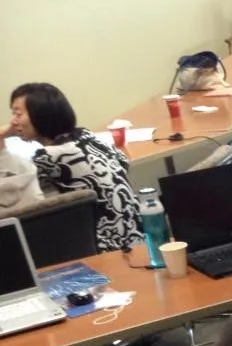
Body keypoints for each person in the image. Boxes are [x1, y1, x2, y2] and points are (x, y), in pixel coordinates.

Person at [6, 82, 139, 251]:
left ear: (41, 115)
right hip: (135, 233)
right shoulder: (90, 137)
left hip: (104, 246)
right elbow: (123, 162)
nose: (13, 121)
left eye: (18, 114)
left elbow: (21, 201)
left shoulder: (46, 158)